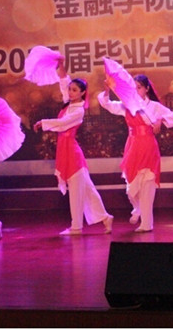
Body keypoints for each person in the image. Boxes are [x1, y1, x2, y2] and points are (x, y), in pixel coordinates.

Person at [34, 62, 113, 235]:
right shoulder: (68, 105)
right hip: (65, 149)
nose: (70, 92)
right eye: (70, 89)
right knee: (87, 189)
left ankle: (76, 226)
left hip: (72, 152)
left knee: (77, 190)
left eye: (74, 90)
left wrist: (43, 123)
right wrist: (60, 65)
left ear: (83, 93)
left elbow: (63, 124)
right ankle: (105, 218)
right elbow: (63, 81)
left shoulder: (78, 111)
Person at [98, 74, 173, 232]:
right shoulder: (126, 105)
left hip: (148, 145)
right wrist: (107, 91)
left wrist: (160, 120)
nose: (136, 91)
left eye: (139, 87)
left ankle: (147, 224)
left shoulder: (154, 106)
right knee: (131, 189)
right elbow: (107, 104)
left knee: (147, 184)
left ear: (147, 89)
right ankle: (138, 209)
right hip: (132, 145)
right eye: (133, 88)